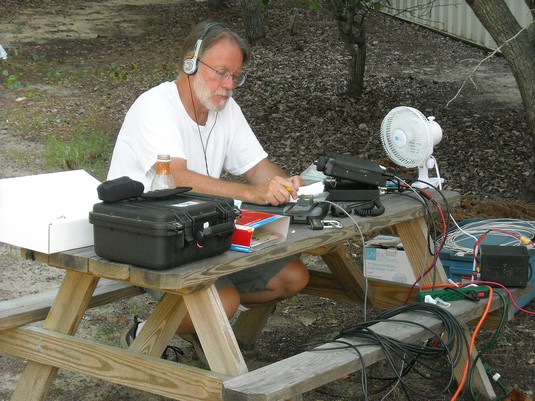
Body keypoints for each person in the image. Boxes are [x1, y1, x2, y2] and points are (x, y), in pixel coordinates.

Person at [107, 21, 309, 359]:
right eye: (220, 73)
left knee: (293, 278)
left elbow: (257, 166)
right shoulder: (155, 106)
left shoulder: (225, 109)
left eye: (236, 77)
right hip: (145, 235)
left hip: (200, 231)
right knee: (224, 300)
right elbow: (177, 176)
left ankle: (202, 325)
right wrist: (253, 194)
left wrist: (284, 184)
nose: (228, 85)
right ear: (190, 63)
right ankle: (148, 332)